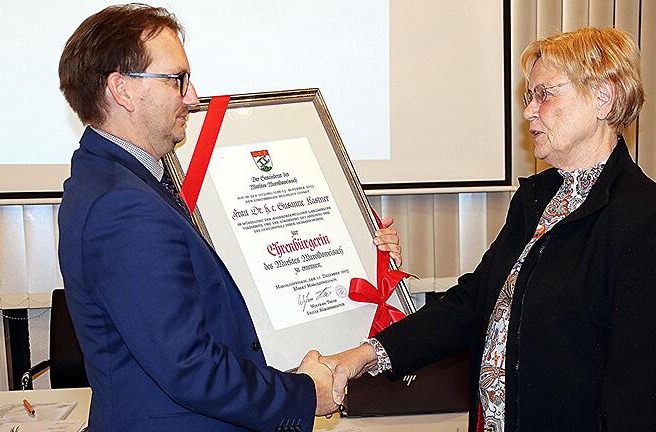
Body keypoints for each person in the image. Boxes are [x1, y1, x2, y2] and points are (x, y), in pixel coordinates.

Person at [321, 27, 656, 432]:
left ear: (603, 98)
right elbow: (473, 302)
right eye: (528, 97)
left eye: (545, 94)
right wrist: (366, 354)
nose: (529, 111)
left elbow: (639, 396)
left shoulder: (650, 219)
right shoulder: (536, 199)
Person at [56, 4, 401, 431]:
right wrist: (306, 394)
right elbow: (189, 366)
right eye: (177, 79)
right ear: (122, 89)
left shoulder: (128, 183)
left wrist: (363, 257)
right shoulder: (122, 207)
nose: (193, 97)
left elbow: (217, 291)